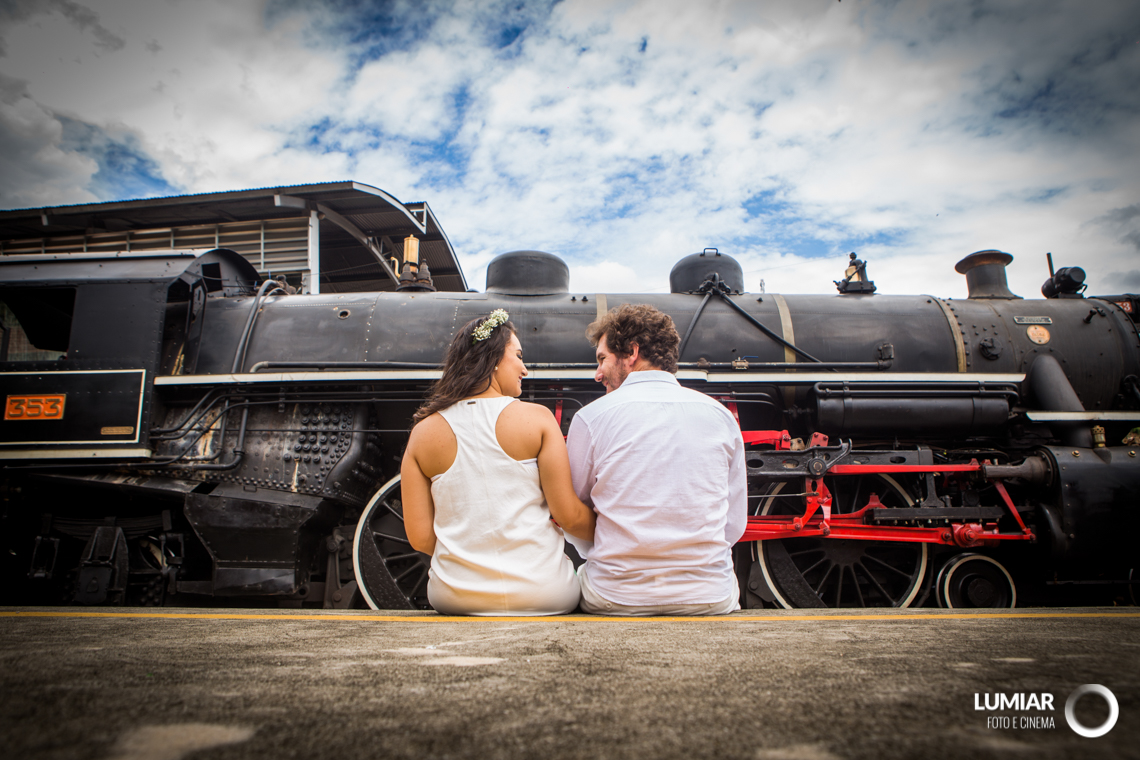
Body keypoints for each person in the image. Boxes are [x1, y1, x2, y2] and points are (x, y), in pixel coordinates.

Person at [401, 309, 596, 616]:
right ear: (492, 360)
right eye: (518, 356)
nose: (525, 369)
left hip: (454, 596)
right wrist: (617, 529)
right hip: (546, 593)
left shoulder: (423, 432)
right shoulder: (538, 419)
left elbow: (420, 536)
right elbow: (569, 517)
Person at [566, 304, 747, 616]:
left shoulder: (590, 418)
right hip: (709, 596)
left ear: (632, 352)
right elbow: (734, 524)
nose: (597, 374)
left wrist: (600, 553)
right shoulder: (721, 416)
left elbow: (574, 512)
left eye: (602, 359)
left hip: (614, 596)